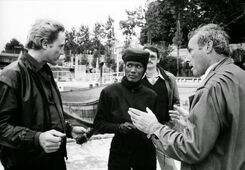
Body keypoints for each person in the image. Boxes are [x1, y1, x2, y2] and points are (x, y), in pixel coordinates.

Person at [128, 23, 245, 170]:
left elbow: (192, 149)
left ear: (208, 46)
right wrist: (194, 123)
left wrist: (154, 127)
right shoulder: (239, 75)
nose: (188, 59)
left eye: (191, 51)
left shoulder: (212, 86)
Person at [0, 19, 87, 170]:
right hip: (25, 164)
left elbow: (45, 115)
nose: (62, 52)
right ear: (45, 44)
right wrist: (37, 138)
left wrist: (68, 129)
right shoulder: (11, 76)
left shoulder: (46, 72)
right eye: (61, 46)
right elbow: (2, 127)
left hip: (53, 161)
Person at [94, 48, 158, 170]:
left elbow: (158, 128)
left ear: (144, 69)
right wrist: (118, 128)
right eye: (129, 65)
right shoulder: (109, 93)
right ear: (124, 67)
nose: (133, 70)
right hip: (120, 154)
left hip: (145, 155)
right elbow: (98, 124)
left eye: (138, 66)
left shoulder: (151, 96)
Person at [142, 45, 179, 170]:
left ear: (158, 59)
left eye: (153, 57)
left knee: (168, 167)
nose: (149, 59)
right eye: (146, 56)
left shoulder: (169, 79)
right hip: (143, 133)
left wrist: (171, 125)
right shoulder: (136, 79)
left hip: (163, 131)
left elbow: (176, 102)